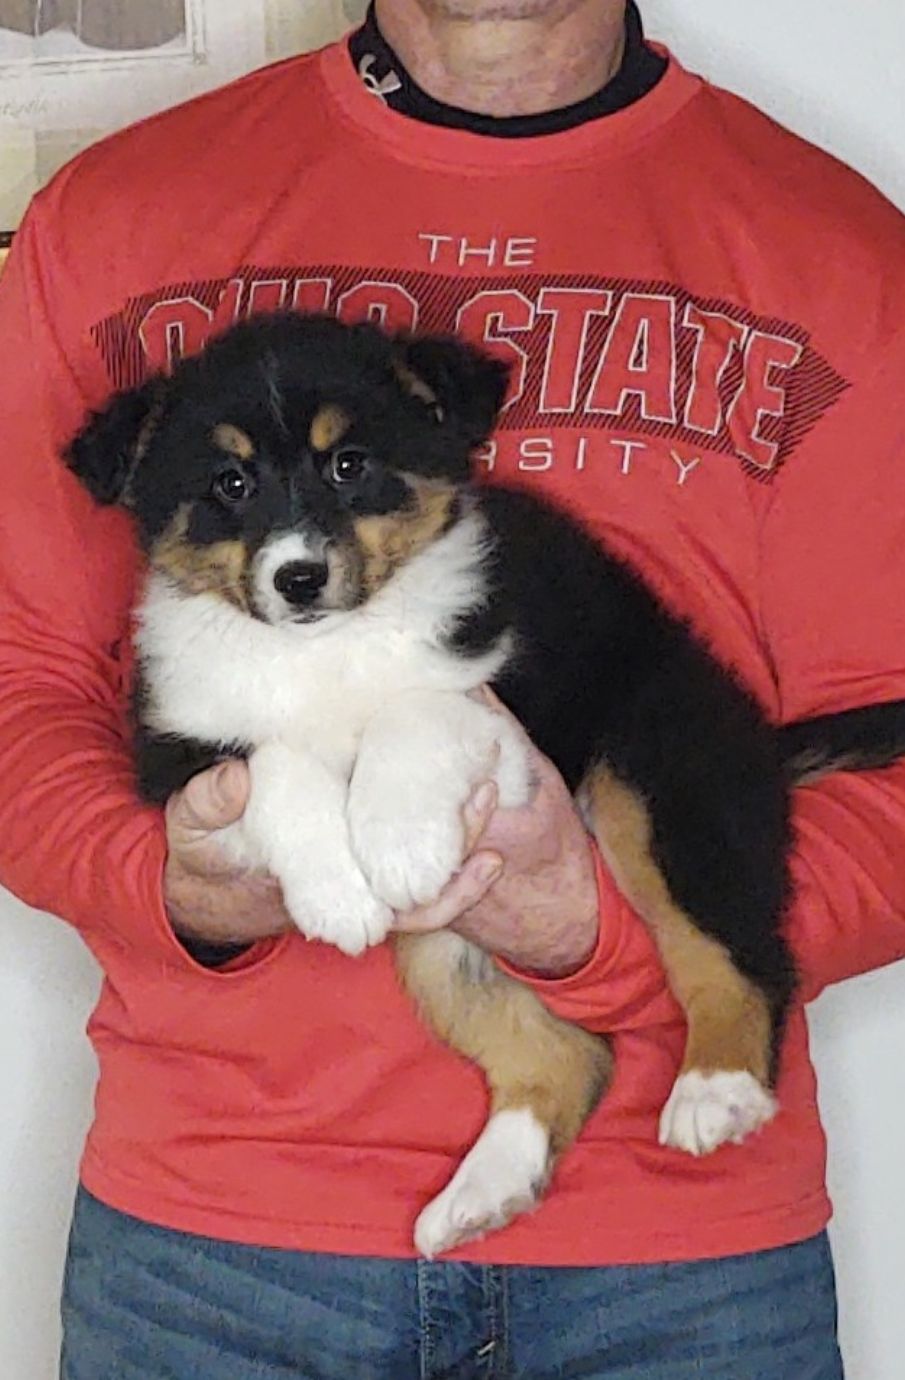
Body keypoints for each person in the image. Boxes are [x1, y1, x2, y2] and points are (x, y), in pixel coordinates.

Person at [1, 1, 903, 1375]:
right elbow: (16, 674)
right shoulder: (112, 219)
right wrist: (170, 883)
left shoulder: (836, 250)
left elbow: (888, 758)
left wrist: (595, 932)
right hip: (214, 1258)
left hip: (680, 1273)